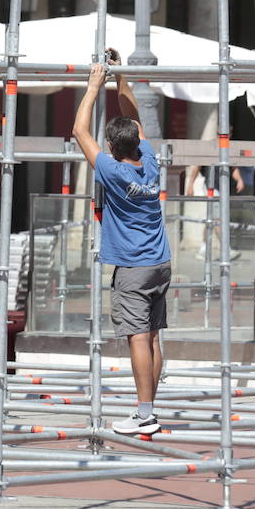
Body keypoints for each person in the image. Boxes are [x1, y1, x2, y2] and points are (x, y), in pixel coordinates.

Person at [72, 51, 172, 436]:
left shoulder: (112, 170)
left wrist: (93, 85)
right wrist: (121, 78)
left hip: (133, 265)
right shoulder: (148, 159)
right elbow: (135, 121)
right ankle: (149, 406)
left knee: (138, 338)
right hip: (159, 260)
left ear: (112, 147)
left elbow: (80, 131)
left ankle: (144, 413)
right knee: (152, 336)